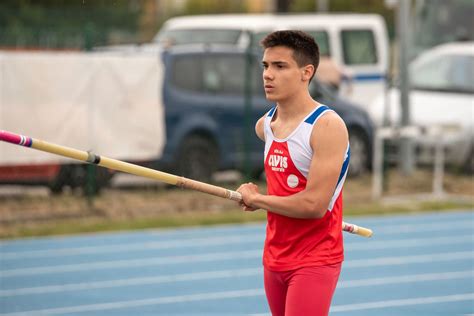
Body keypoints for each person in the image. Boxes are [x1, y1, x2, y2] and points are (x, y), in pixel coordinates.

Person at [236, 30, 350, 316]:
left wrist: (258, 199)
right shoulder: (266, 126)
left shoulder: (326, 127)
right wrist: (259, 200)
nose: (268, 75)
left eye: (280, 66)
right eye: (265, 66)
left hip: (315, 258)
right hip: (274, 256)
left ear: (306, 72)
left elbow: (313, 206)